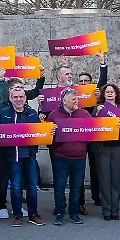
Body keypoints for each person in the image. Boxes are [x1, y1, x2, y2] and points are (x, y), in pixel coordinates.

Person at [0, 85, 46, 227]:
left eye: (21, 97)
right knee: (16, 187)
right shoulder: (3, 114)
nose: (18, 99)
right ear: (10, 98)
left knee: (32, 186)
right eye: (15, 97)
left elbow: (39, 133)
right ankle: (17, 214)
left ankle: (33, 214)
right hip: (12, 157)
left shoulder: (31, 114)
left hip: (29, 156)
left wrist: (48, 130)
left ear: (25, 98)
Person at [47, 88, 92, 225]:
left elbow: (94, 129)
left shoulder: (83, 113)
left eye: (77, 98)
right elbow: (48, 139)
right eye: (73, 99)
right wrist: (51, 134)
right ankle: (60, 212)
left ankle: (74, 213)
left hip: (79, 157)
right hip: (61, 157)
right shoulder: (53, 115)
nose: (76, 101)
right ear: (64, 100)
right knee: (59, 187)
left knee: (76, 187)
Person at [73, 53, 109, 215]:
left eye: (86, 81)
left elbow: (103, 83)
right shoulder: (73, 97)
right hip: (79, 138)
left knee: (95, 168)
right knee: (79, 170)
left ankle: (96, 195)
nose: (83, 83)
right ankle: (79, 201)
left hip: (93, 137)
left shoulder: (96, 95)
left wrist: (102, 63)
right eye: (81, 82)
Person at [93, 83, 120, 221]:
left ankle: (115, 210)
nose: (110, 94)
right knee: (105, 180)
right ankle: (106, 210)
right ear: (103, 95)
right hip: (102, 149)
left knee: (115, 180)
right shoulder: (98, 108)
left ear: (116, 94)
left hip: (118, 147)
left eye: (112, 91)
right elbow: (91, 127)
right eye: (107, 92)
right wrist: (97, 115)